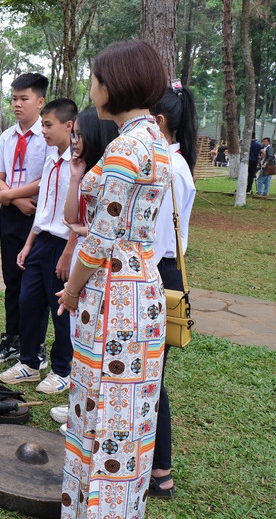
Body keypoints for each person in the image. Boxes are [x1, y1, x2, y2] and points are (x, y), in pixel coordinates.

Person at [56, 40, 170, 518]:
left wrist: (72, 288)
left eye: (95, 78)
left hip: (113, 298)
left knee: (107, 418)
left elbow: (100, 241)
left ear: (114, 85)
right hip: (139, 286)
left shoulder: (126, 147)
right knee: (128, 418)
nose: (91, 87)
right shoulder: (154, 140)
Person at [0, 98, 78, 392]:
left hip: (64, 245)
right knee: (28, 301)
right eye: (42, 124)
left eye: (48, 125)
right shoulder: (52, 158)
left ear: (69, 125)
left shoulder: (79, 163)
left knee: (61, 308)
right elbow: (44, 206)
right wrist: (29, 243)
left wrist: (70, 250)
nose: (43, 131)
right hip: (42, 239)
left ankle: (61, 369)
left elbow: (82, 214)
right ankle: (29, 363)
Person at [47, 107, 119, 431]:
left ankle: (87, 417)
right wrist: (75, 177)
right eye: (73, 134)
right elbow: (70, 218)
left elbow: (103, 230)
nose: (74, 141)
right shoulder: (87, 171)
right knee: (80, 341)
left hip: (101, 266)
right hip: (84, 259)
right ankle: (78, 406)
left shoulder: (112, 174)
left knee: (92, 346)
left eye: (78, 134)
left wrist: (85, 233)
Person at [147, 81, 198, 499]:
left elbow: (155, 236)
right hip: (166, 270)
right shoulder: (176, 164)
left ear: (158, 121)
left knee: (151, 378)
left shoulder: (168, 168)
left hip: (159, 273)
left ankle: (161, 470)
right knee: (149, 375)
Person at [0, 73, 51, 365]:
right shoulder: (7, 136)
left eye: (23, 98)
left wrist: (12, 195)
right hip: (12, 215)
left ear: (40, 101)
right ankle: (12, 337)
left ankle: (35, 342)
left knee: (35, 283)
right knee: (12, 280)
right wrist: (13, 198)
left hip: (38, 216)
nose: (17, 104)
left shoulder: (48, 135)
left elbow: (49, 178)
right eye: (13, 98)